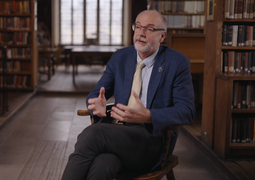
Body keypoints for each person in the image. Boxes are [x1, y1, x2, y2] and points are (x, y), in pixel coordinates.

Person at [61, 10, 196, 180]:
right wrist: (96, 103)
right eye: (138, 27)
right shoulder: (120, 57)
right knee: (103, 164)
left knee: (91, 135)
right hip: (117, 132)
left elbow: (187, 111)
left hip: (149, 140)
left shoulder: (177, 63)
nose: (141, 33)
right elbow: (97, 93)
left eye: (149, 29)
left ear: (162, 36)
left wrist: (148, 116)